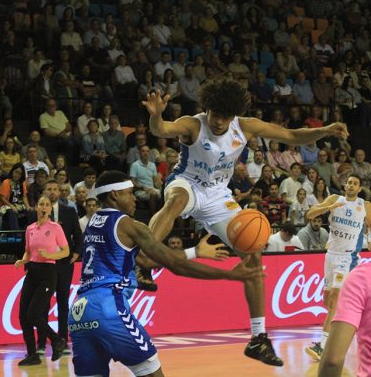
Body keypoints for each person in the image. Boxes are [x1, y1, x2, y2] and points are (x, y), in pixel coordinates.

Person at [143, 81, 348, 366]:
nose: (219, 122)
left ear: (234, 115)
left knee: (253, 257)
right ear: (208, 109)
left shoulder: (246, 126)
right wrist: (156, 115)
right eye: (215, 115)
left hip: (218, 196)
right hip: (186, 183)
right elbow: (161, 130)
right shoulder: (193, 124)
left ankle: (258, 338)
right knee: (175, 201)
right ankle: (143, 261)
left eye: (226, 118)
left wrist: (324, 130)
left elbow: (290, 134)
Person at [69, 171, 261, 376]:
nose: (135, 198)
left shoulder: (93, 222)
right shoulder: (129, 225)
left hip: (80, 312)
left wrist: (194, 252)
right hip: (109, 308)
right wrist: (230, 275)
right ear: (115, 195)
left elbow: (144, 260)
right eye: (130, 192)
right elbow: (175, 266)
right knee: (151, 371)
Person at [305, 175, 371, 361]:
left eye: (354, 184)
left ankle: (322, 346)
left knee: (334, 301)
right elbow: (310, 215)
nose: (350, 185)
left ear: (359, 189)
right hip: (331, 256)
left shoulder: (364, 205)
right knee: (329, 303)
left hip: (348, 258)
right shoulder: (335, 199)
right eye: (349, 182)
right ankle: (353, 324)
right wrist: (328, 208)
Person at [14, 195, 69, 366]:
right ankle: (32, 355)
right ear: (36, 207)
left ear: (50, 209)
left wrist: (51, 255)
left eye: (47, 205)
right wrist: (22, 260)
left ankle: (56, 340)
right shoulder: (30, 228)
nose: (43, 207)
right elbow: (28, 252)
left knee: (33, 314)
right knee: (23, 316)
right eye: (41, 204)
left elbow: (66, 251)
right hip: (32, 272)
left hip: (48, 273)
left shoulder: (55, 228)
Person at [36, 179, 82, 355]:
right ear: (44, 191)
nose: (53, 192)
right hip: (44, 264)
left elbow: (78, 235)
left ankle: (62, 342)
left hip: (63, 263)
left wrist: (76, 254)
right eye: (49, 189)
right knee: (42, 304)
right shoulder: (38, 212)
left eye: (55, 189)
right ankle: (41, 343)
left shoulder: (69, 211)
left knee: (63, 303)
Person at [318, 260, 371, 376]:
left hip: (343, 262)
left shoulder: (362, 276)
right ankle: (322, 342)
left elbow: (332, 361)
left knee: (332, 303)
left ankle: (323, 342)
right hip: (338, 261)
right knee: (331, 301)